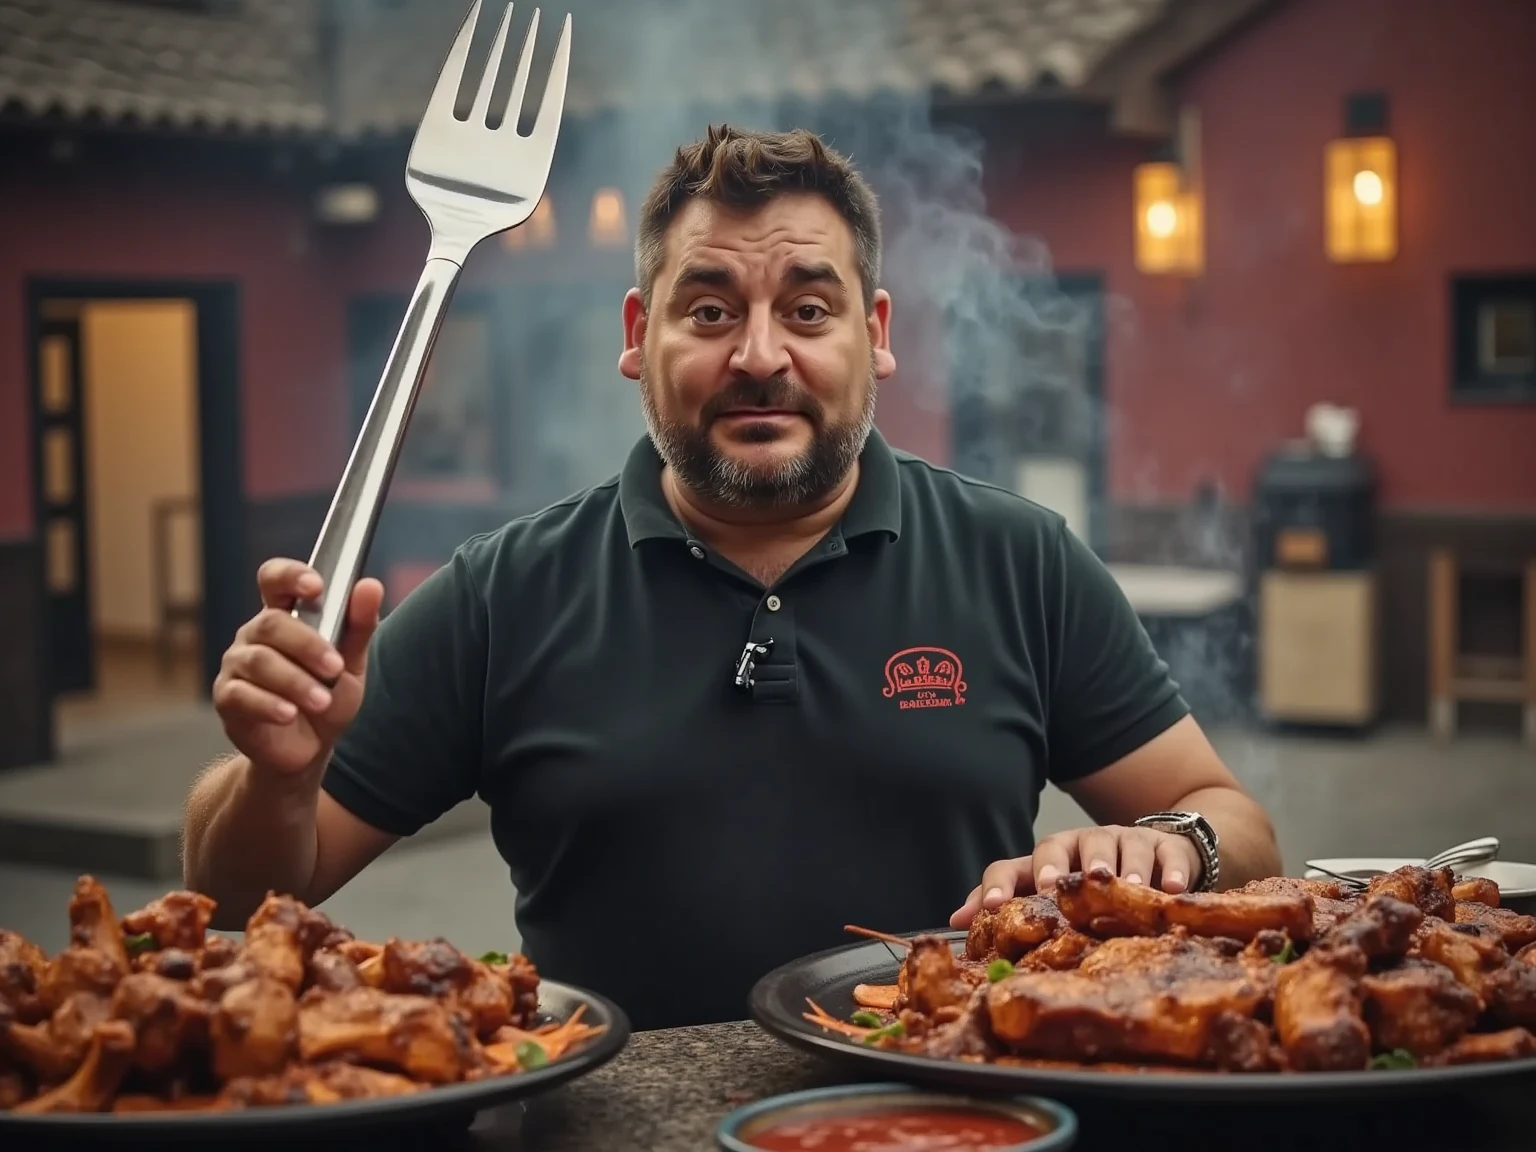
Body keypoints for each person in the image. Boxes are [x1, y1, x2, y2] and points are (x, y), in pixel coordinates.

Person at [181, 124, 1282, 1032]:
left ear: (876, 334)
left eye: (809, 309)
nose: (760, 354)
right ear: (637, 334)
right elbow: (234, 896)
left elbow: (1238, 827)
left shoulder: (1019, 559)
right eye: (709, 310)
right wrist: (277, 779)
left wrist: (1174, 842)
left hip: (947, 1116)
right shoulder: (502, 592)